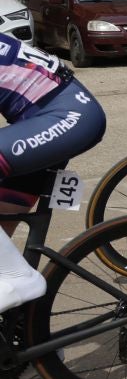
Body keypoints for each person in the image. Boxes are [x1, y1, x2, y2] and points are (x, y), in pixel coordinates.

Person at [0, 35, 107, 312]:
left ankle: (20, 279)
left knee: (9, 273)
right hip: (34, 122)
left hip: (68, 116)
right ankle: (25, 335)